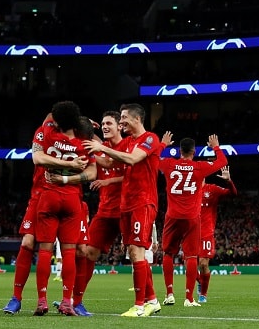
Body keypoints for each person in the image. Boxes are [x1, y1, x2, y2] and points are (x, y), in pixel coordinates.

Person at [83, 103, 167, 317]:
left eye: (124, 118)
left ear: (137, 119)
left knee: (138, 252)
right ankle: (152, 301)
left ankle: (139, 306)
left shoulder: (150, 139)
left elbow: (132, 159)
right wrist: (88, 137)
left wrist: (102, 147)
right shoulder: (128, 141)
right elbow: (110, 163)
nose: (121, 122)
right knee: (133, 252)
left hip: (143, 202)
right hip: (127, 204)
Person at [31, 101, 95, 316]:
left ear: (57, 120)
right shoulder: (83, 143)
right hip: (72, 199)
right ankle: (67, 301)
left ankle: (42, 300)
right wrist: (73, 171)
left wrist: (60, 166)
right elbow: (93, 173)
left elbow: (37, 157)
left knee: (45, 250)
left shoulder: (47, 133)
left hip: (48, 197)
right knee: (69, 253)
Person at [159, 135, 227, 308]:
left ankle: (169, 295)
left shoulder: (168, 164)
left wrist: (162, 145)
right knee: (190, 256)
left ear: (179, 151)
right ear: (194, 151)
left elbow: (151, 158)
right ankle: (189, 298)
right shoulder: (199, 167)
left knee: (168, 254)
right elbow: (222, 161)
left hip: (172, 216)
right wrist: (215, 147)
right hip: (192, 217)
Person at [197, 165, 237, 302]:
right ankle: (200, 281)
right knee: (188, 264)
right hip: (190, 231)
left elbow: (233, 194)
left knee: (203, 264)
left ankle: (203, 294)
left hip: (206, 232)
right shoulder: (189, 191)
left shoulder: (211, 189)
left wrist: (228, 181)